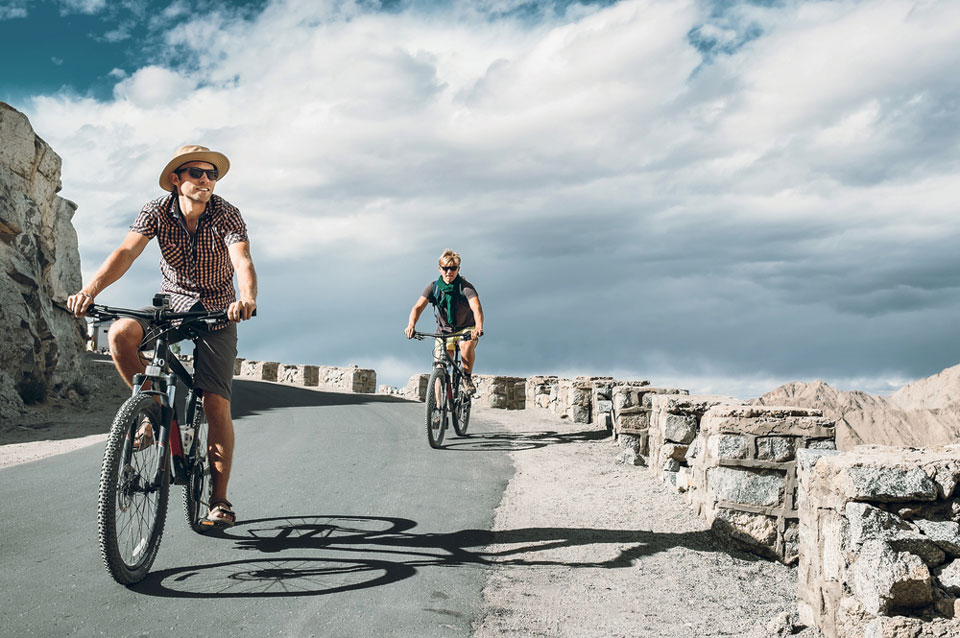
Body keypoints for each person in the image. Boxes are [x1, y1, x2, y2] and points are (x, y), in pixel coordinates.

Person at [67, 144, 257, 528]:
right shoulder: (156, 210)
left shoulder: (226, 213)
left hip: (218, 311)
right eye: (196, 173)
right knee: (121, 332)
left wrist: (247, 298)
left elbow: (242, 258)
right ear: (177, 179)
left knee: (215, 402)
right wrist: (91, 291)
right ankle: (151, 413)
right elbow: (126, 251)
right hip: (171, 306)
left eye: (211, 175)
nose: (206, 180)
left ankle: (218, 500)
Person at [404, 249, 484, 392]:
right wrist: (411, 325)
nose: (449, 272)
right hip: (443, 331)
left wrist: (478, 327)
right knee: (439, 366)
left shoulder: (465, 287)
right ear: (440, 269)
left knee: (466, 346)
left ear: (458, 269)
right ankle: (438, 409)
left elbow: (476, 308)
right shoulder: (434, 287)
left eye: (453, 268)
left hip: (466, 329)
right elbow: (417, 308)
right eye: (445, 268)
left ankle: (466, 378)